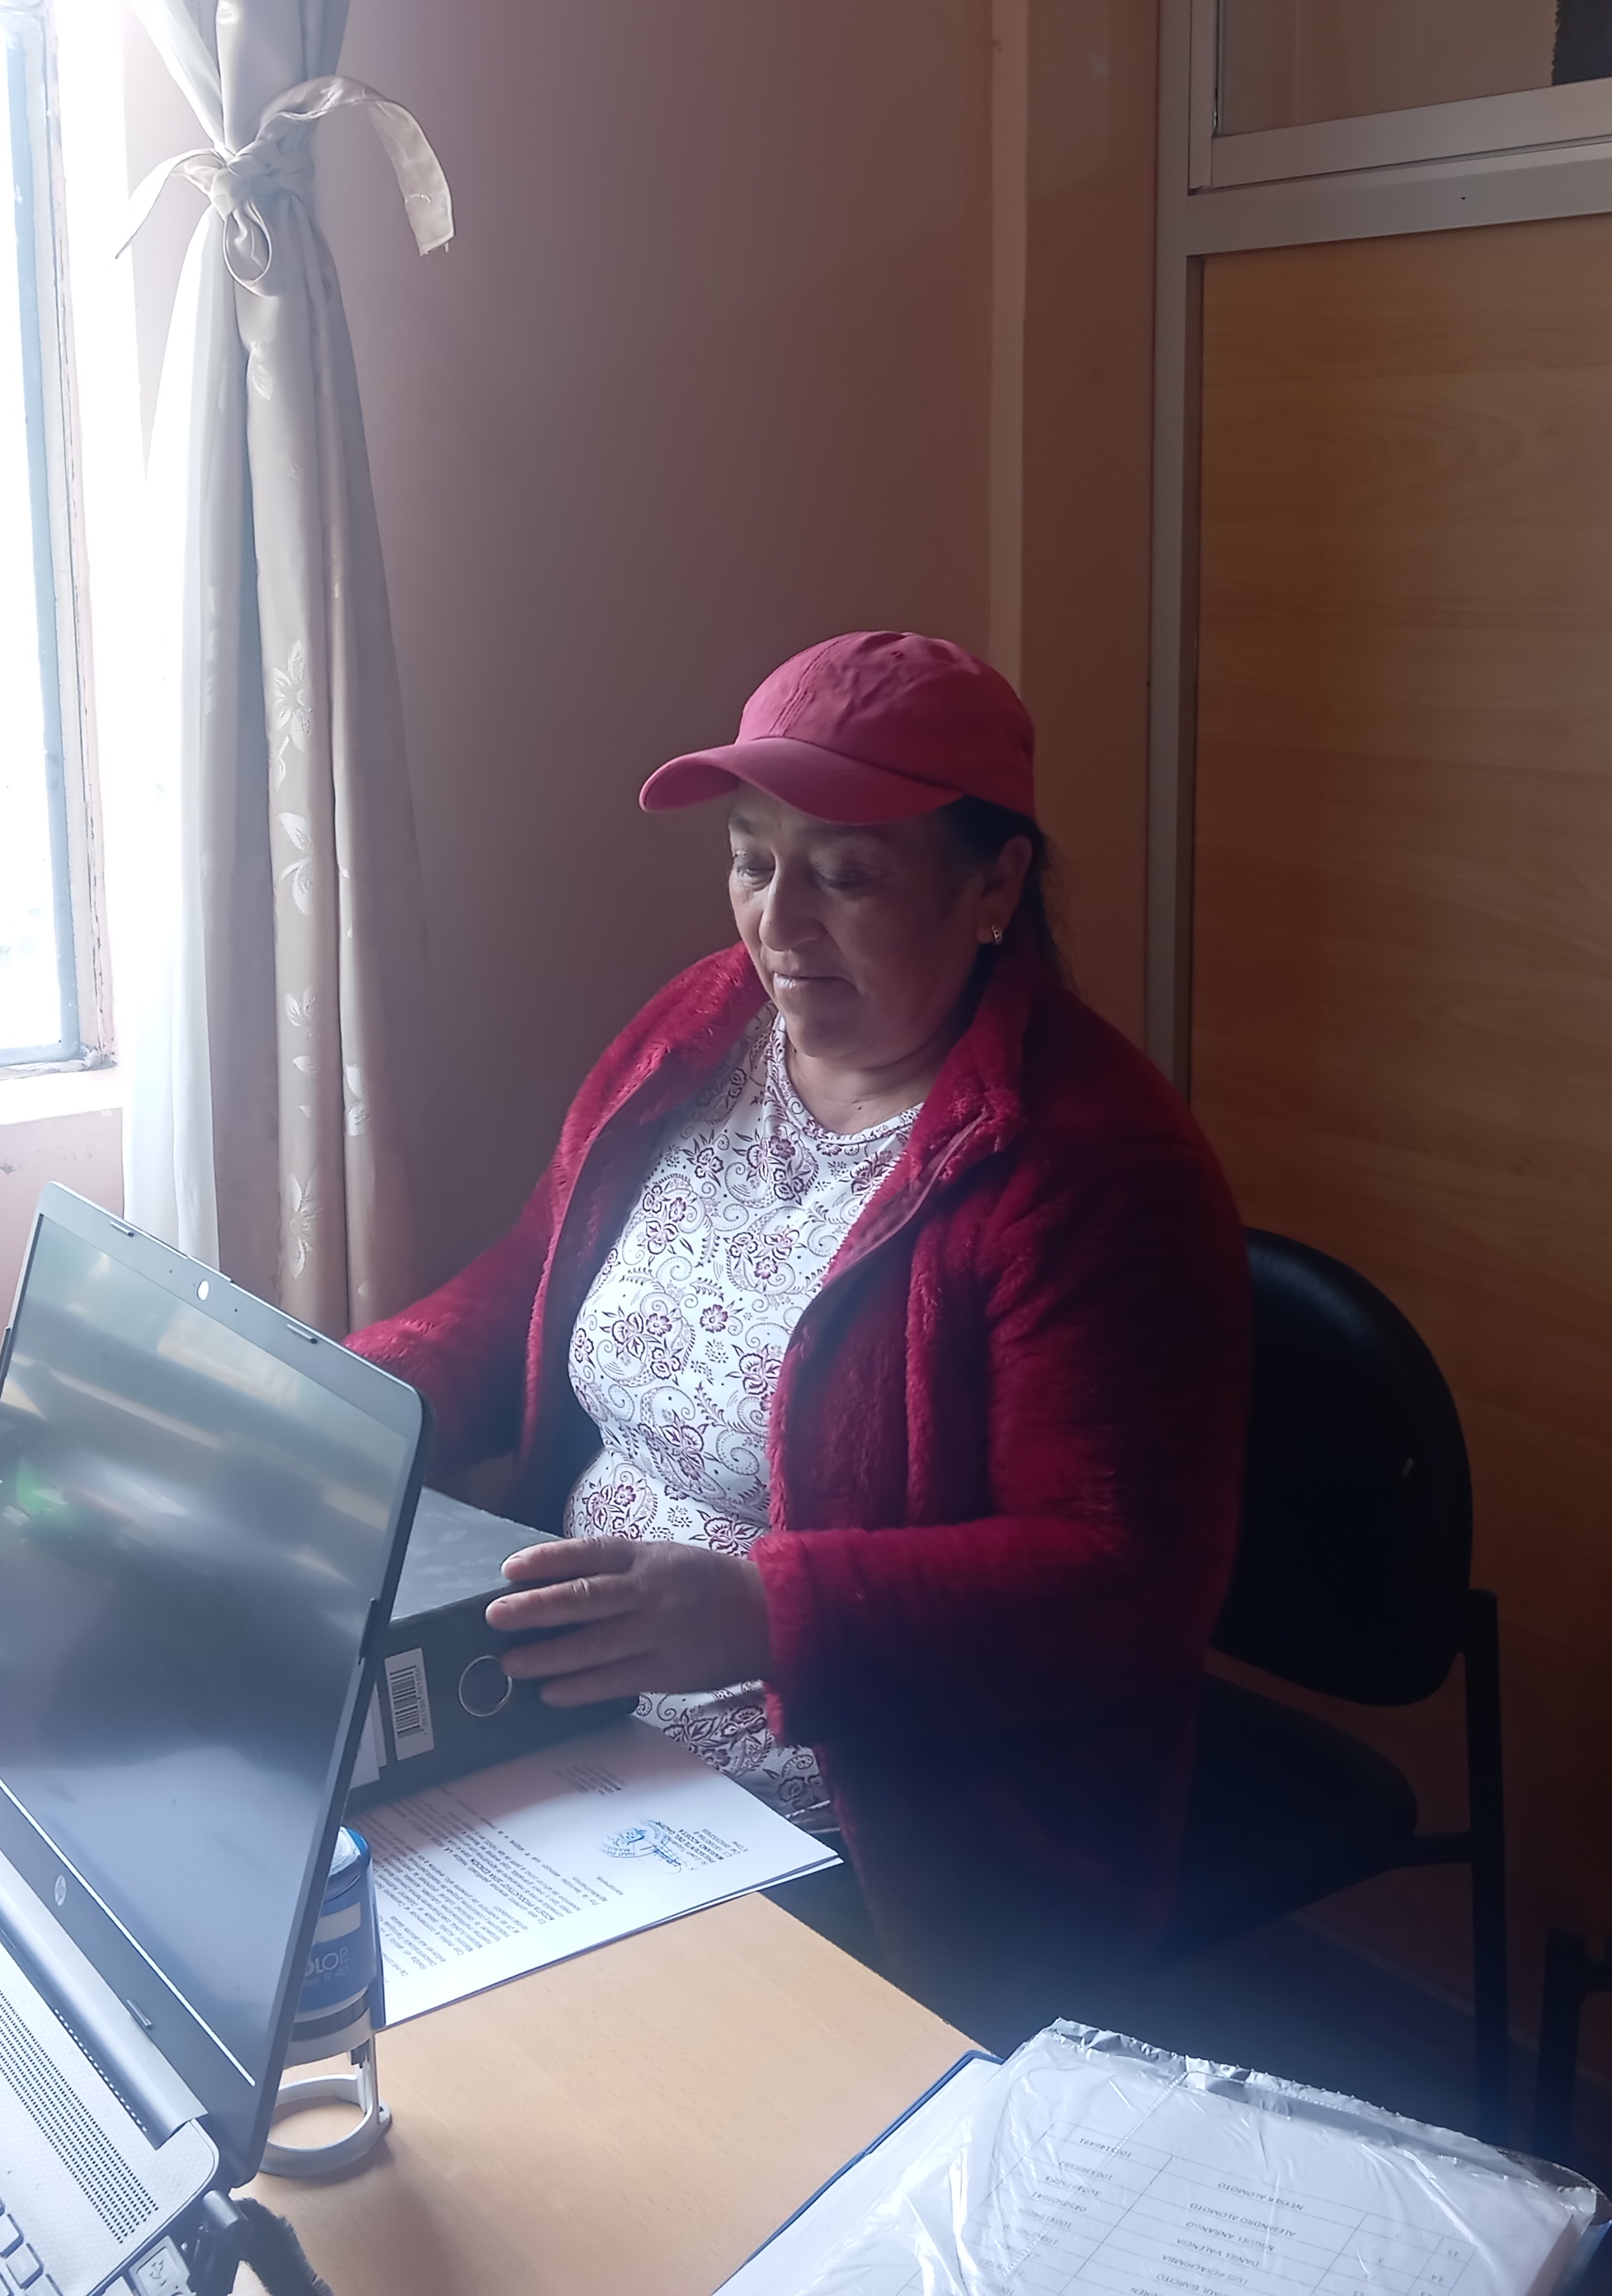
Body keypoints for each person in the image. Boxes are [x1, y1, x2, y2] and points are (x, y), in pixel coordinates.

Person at [343, 630, 1249, 2033]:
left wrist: (769, 1615)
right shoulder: (708, 1023)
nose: (778, 924)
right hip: (575, 1715)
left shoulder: (1091, 1168)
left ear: (995, 885)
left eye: (848, 875)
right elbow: (539, 1275)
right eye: (752, 862)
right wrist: (344, 1408)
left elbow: (1124, 1581)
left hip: (876, 1816)